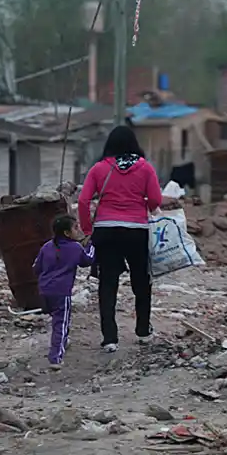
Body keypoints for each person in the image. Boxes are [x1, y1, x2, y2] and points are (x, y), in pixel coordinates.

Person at [78, 125, 162, 353]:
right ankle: (143, 331)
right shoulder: (145, 168)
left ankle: (110, 338)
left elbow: (84, 201)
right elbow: (155, 199)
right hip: (136, 230)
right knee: (141, 281)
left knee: (108, 283)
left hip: (106, 230)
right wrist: (143, 206)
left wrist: (88, 229)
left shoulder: (99, 168)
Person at [33, 214, 94, 370]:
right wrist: (92, 246)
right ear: (67, 233)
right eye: (75, 227)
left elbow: (36, 268)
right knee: (61, 322)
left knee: (57, 319)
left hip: (44, 289)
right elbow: (87, 261)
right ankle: (56, 357)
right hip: (61, 291)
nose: (78, 229)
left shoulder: (47, 246)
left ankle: (63, 342)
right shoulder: (75, 248)